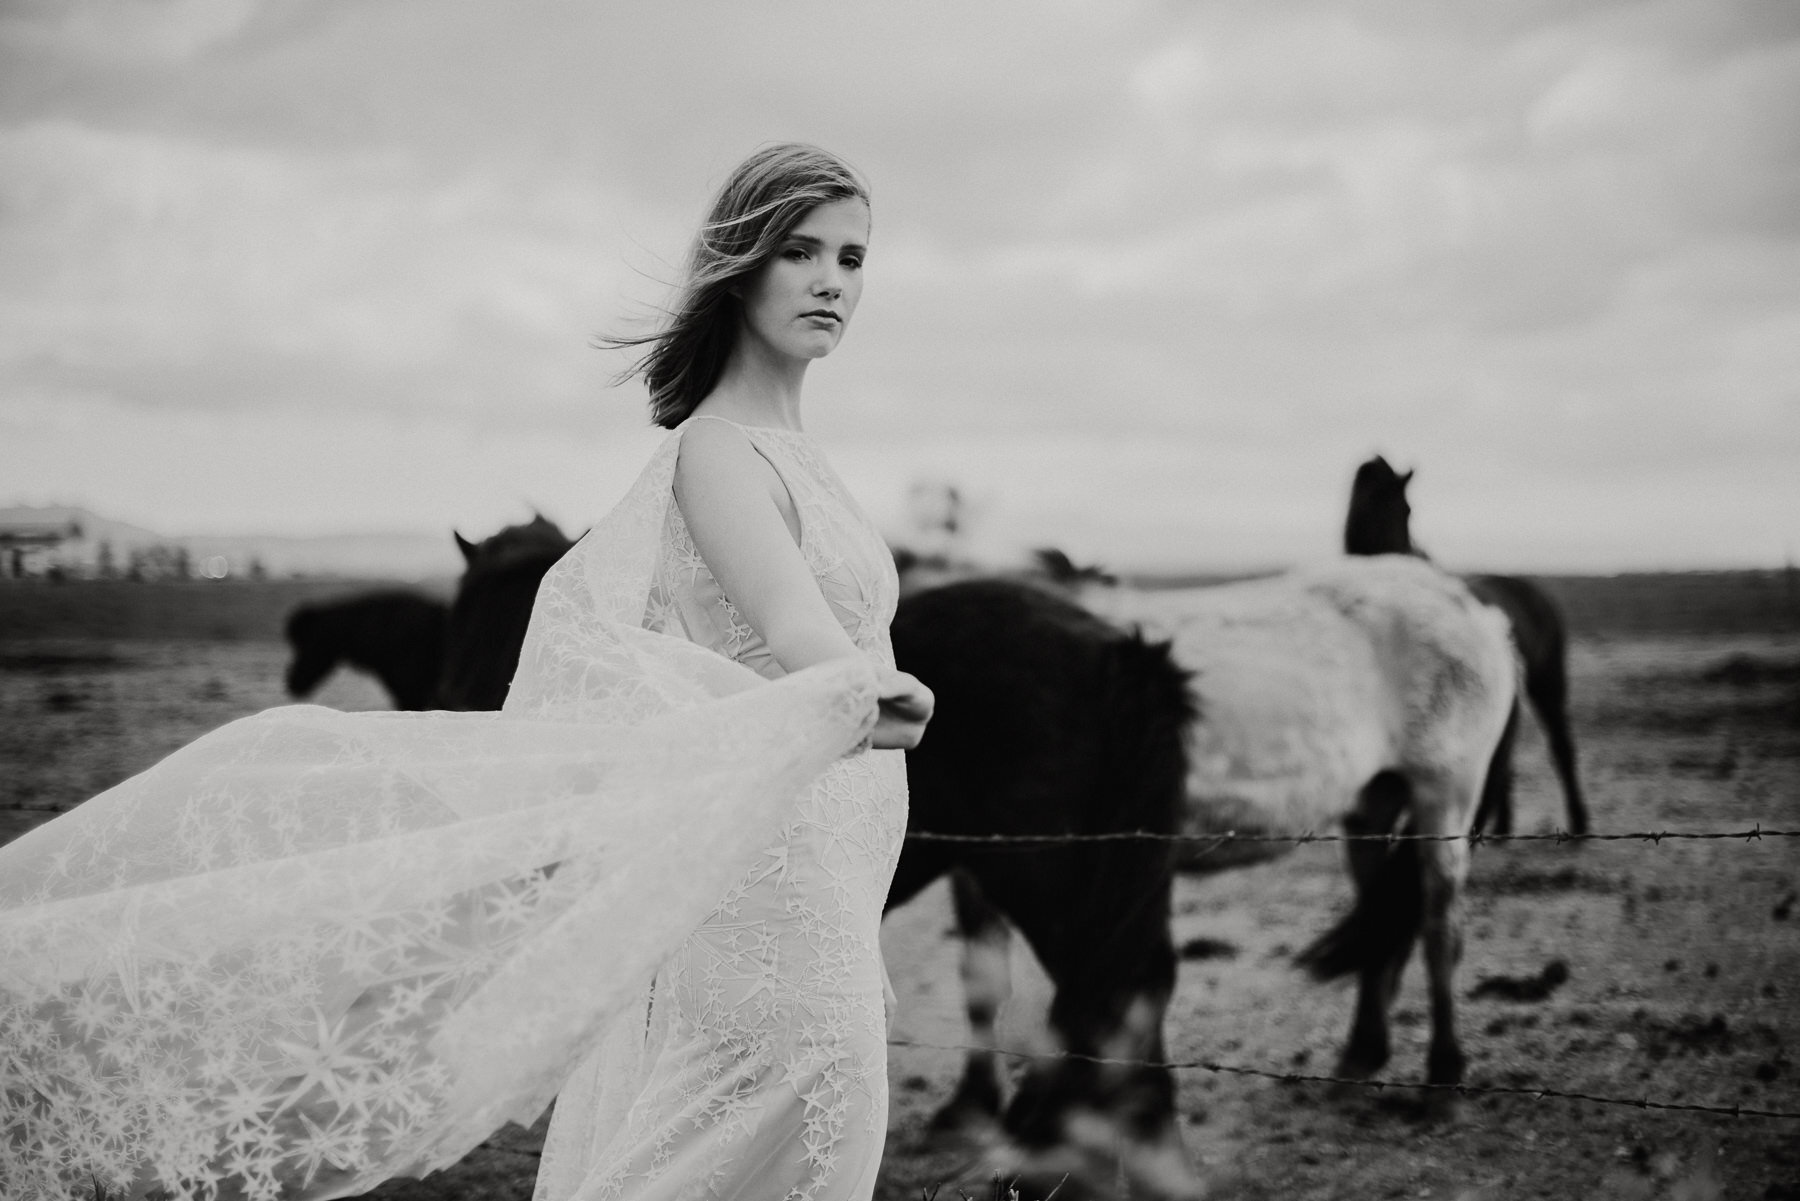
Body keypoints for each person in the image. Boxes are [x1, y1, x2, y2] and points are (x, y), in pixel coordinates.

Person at [0, 143, 929, 1201]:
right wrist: (874, 689)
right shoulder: (716, 452)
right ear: (739, 263)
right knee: (771, 1140)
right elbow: (797, 630)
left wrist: (859, 901)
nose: (831, 282)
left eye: (852, 259)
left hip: (830, 891)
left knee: (811, 1140)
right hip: (775, 892)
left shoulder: (800, 450)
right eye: (800, 252)